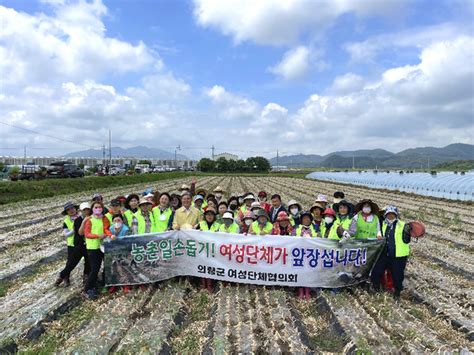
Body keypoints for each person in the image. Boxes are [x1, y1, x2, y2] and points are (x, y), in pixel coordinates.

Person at [370, 206, 411, 300]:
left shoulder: (403, 225)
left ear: (396, 215)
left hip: (398, 255)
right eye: (388, 214)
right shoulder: (383, 224)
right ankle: (375, 287)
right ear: (385, 215)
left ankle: (397, 292)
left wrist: (408, 233)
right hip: (384, 253)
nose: (390, 216)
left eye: (392, 214)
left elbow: (407, 239)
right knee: (376, 271)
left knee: (397, 275)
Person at [55, 202, 91, 287]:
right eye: (68, 210)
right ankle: (63, 277)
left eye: (72, 208)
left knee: (88, 261)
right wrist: (74, 230)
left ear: (76, 209)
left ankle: (86, 278)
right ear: (66, 212)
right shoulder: (67, 221)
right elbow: (65, 234)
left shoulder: (83, 217)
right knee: (70, 263)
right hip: (73, 244)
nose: (71, 210)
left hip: (86, 243)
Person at [83, 201, 111, 300]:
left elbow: (106, 229)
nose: (98, 209)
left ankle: (102, 283)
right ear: (92, 209)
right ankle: (87, 289)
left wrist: (109, 234)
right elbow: (87, 234)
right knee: (95, 269)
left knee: (106, 265)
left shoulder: (104, 218)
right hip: (92, 247)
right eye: (96, 207)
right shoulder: (89, 220)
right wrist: (98, 236)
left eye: (100, 207)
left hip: (103, 246)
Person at [294, 211, 315, 300]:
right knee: (300, 272)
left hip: (311, 254)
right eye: (304, 218)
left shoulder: (315, 229)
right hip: (299, 254)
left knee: (308, 273)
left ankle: (307, 290)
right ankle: (300, 290)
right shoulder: (297, 229)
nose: (306, 220)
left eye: (308, 218)